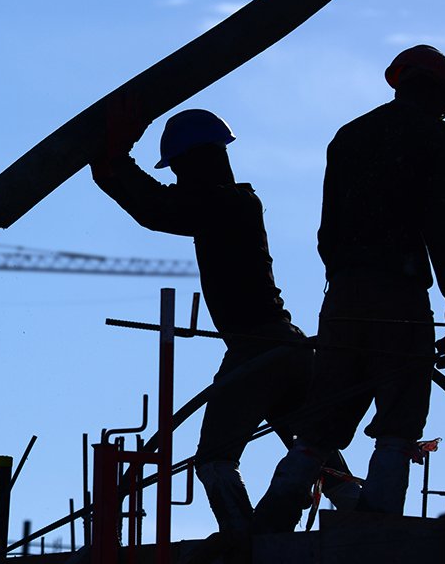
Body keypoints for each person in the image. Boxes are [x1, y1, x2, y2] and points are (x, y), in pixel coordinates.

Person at [90, 104, 356, 559]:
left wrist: (113, 165)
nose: (175, 178)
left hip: (257, 349)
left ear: (193, 162)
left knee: (215, 456)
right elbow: (164, 207)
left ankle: (242, 535)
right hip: (288, 348)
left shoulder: (223, 205)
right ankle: (360, 519)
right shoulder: (235, 204)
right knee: (314, 447)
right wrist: (112, 169)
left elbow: (158, 209)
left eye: (178, 169)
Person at [253, 44, 445, 533]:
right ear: (436, 93)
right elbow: (441, 227)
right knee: (400, 415)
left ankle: (269, 522)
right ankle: (377, 531)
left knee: (322, 415)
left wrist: (348, 284)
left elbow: (325, 233)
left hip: (344, 295)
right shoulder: (434, 136)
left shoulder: (349, 135)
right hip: (399, 293)